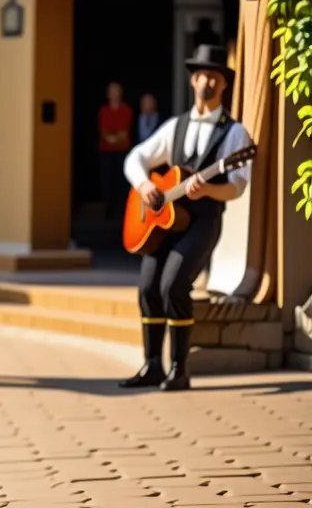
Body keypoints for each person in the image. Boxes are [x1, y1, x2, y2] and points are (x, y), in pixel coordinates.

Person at [120, 44, 253, 392]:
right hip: (163, 223)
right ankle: (151, 365)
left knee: (173, 285)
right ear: (192, 81)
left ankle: (179, 368)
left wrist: (208, 190)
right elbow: (135, 157)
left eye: (214, 76)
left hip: (202, 222)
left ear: (224, 84)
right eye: (200, 76)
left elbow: (237, 186)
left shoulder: (234, 134)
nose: (206, 82)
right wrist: (146, 184)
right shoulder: (174, 126)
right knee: (148, 287)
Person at [99, 81, 134, 219]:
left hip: (122, 151)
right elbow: (103, 131)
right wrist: (112, 138)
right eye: (111, 91)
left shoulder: (127, 110)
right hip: (106, 152)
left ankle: (125, 213)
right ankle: (107, 212)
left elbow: (124, 132)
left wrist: (114, 138)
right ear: (108, 94)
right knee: (107, 181)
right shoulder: (103, 111)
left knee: (123, 182)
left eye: (116, 91)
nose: (114, 94)